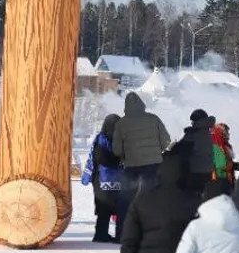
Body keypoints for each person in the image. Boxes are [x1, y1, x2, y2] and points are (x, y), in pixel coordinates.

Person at [113, 92, 172, 232]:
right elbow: (166, 141)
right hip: (153, 165)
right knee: (153, 198)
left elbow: (116, 149)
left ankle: (122, 232)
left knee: (125, 200)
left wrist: (125, 156)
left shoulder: (121, 123)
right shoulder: (154, 119)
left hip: (131, 166)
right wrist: (157, 151)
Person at [82, 114, 125, 242]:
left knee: (115, 209)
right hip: (104, 179)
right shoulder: (103, 141)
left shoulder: (105, 139)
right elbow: (102, 158)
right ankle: (104, 235)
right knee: (108, 209)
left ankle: (110, 235)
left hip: (107, 180)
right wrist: (120, 160)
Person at [177, 109, 216, 193]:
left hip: (196, 170)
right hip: (208, 169)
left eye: (193, 121)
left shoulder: (193, 134)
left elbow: (182, 150)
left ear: (197, 121)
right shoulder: (207, 131)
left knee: (191, 196)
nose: (192, 123)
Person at [211, 122, 237, 193]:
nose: (228, 134)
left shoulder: (223, 144)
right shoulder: (217, 144)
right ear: (221, 132)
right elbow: (221, 164)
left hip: (225, 180)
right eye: (226, 131)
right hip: (221, 180)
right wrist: (234, 165)